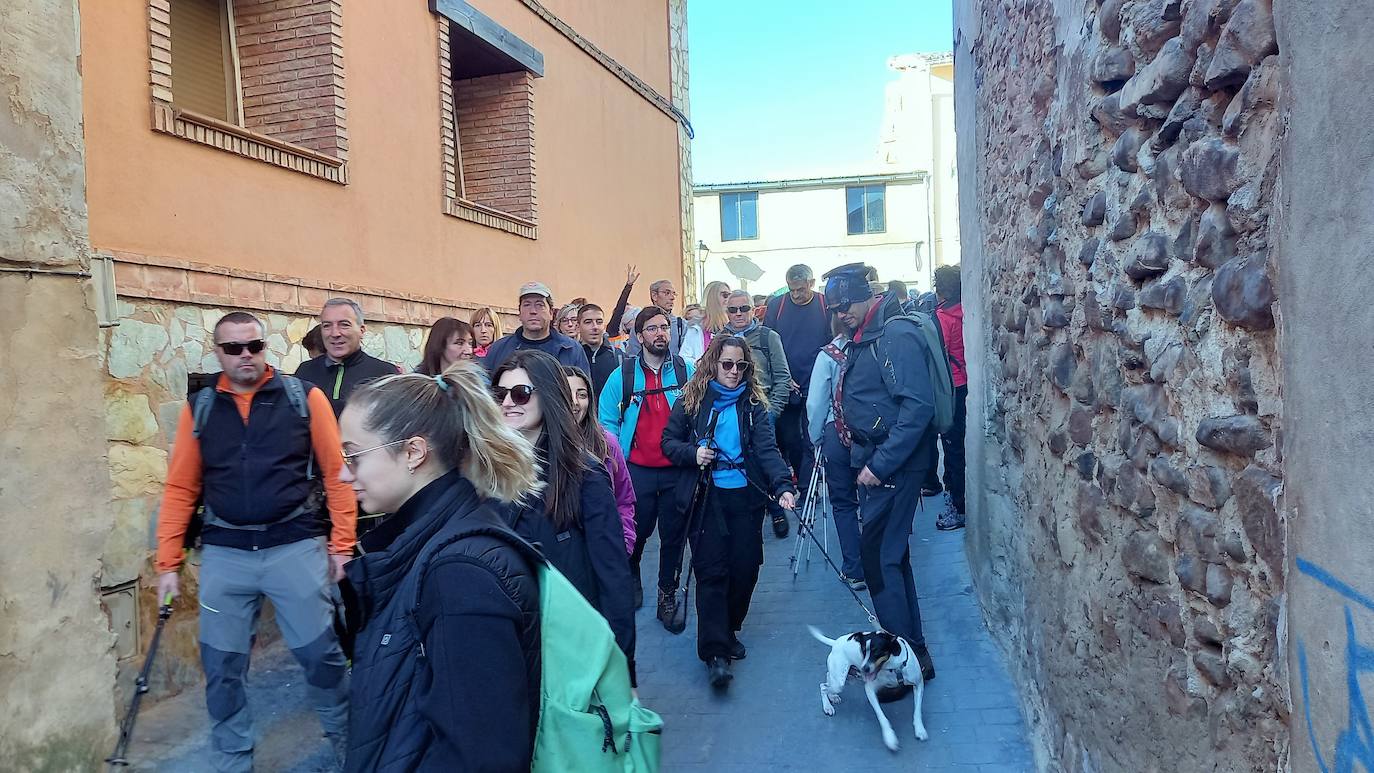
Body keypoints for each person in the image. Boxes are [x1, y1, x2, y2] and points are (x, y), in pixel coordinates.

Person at [155, 311, 354, 772]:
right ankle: (232, 756)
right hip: (226, 554)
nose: (246, 356)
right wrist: (168, 562)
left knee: (320, 656)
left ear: (265, 347)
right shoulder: (200, 409)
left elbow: (337, 474)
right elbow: (181, 488)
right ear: (218, 352)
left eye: (255, 346)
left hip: (294, 546)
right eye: (233, 348)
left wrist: (341, 544)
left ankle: (346, 738)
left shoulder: (304, 398)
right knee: (222, 668)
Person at [337, 363, 541, 770]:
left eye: (353, 455)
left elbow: (482, 756)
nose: (344, 473)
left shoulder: (461, 575)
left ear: (413, 451)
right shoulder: (423, 544)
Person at [825, 262, 938, 691]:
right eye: (835, 307)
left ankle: (900, 669)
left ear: (867, 294)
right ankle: (914, 656)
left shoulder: (894, 335)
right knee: (891, 560)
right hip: (880, 463)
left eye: (847, 304)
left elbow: (917, 408)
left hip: (890, 468)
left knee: (880, 564)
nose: (841, 313)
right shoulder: (871, 334)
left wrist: (880, 464)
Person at [662, 335, 797, 689]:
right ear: (712, 365)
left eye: (740, 366)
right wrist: (693, 454)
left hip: (746, 500)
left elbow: (768, 450)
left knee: (746, 568)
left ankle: (729, 627)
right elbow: (669, 443)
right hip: (706, 499)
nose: (734, 372)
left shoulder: (753, 405)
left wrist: (783, 486)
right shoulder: (691, 401)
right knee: (711, 573)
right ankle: (715, 652)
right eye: (727, 365)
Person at [493, 351, 636, 667]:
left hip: (571, 638)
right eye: (500, 394)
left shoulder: (585, 474)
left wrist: (624, 667)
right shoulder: (487, 473)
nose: (507, 403)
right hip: (512, 639)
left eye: (520, 393)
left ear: (549, 397)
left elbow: (613, 577)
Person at [599, 306, 694, 619]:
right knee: (636, 534)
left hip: (677, 470)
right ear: (639, 336)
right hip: (636, 470)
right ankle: (633, 575)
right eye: (651, 329)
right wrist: (616, 463)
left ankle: (667, 594)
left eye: (664, 327)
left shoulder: (686, 371)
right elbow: (608, 421)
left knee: (673, 537)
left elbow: (702, 412)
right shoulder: (622, 376)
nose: (659, 333)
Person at [763, 264, 832, 521]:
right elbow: (767, 341)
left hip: (817, 380)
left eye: (801, 290)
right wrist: (782, 376)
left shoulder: (825, 305)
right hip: (787, 383)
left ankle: (806, 488)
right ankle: (797, 482)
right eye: (792, 290)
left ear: (811, 283)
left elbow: (832, 341)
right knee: (790, 438)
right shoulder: (777, 306)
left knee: (811, 437)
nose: (797, 295)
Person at [722, 289, 792, 537]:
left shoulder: (767, 337)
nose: (739, 314)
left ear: (753, 310)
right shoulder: (720, 339)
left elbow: (783, 377)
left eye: (744, 309)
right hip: (730, 410)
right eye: (733, 309)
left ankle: (775, 508)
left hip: (761, 408)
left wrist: (772, 410)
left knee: (765, 456)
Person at [806, 320, 865, 591]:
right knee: (872, 498)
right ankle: (881, 563)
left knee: (843, 503)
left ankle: (855, 569)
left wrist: (816, 437)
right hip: (870, 433)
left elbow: (816, 402)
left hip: (836, 433)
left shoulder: (827, 355)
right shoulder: (871, 348)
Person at [565, 365, 636, 554]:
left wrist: (624, 543)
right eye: (566, 393)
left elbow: (624, 498)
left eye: (581, 395)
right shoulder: (542, 445)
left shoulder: (607, 443)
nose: (575, 403)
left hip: (605, 548)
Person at [295, 298, 399, 417]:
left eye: (344, 325)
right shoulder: (304, 372)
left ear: (362, 330)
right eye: (327, 326)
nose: (335, 333)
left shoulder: (385, 375)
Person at [483, 281, 592, 374]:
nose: (533, 311)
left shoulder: (571, 350)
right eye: (527, 305)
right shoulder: (499, 349)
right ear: (519, 313)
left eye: (539, 305)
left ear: (551, 313)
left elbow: (583, 394)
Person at [933, 265, 967, 530]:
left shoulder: (942, 318)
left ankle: (957, 505)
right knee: (960, 444)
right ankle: (958, 499)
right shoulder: (965, 312)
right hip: (965, 381)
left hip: (950, 386)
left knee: (952, 446)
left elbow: (937, 354)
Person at [625, 278, 686, 357]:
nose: (672, 297)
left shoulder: (680, 324)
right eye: (667, 293)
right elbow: (633, 354)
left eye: (674, 294)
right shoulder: (640, 322)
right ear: (654, 296)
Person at [577, 302, 620, 399]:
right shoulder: (572, 356)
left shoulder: (619, 357)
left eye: (599, 322)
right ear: (578, 327)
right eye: (588, 322)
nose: (595, 327)